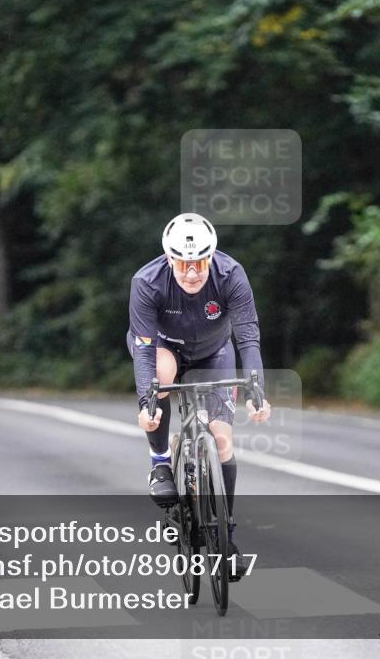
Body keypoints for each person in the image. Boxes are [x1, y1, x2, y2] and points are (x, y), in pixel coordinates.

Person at [126, 212, 271, 580]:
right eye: (182, 264)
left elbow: (248, 337)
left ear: (211, 257)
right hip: (162, 348)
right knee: (162, 374)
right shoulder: (147, 282)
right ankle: (161, 461)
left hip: (213, 351)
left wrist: (256, 392)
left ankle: (227, 539)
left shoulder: (231, 274)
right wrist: (146, 403)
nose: (191, 273)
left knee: (221, 441)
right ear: (169, 259)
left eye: (200, 263)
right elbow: (143, 351)